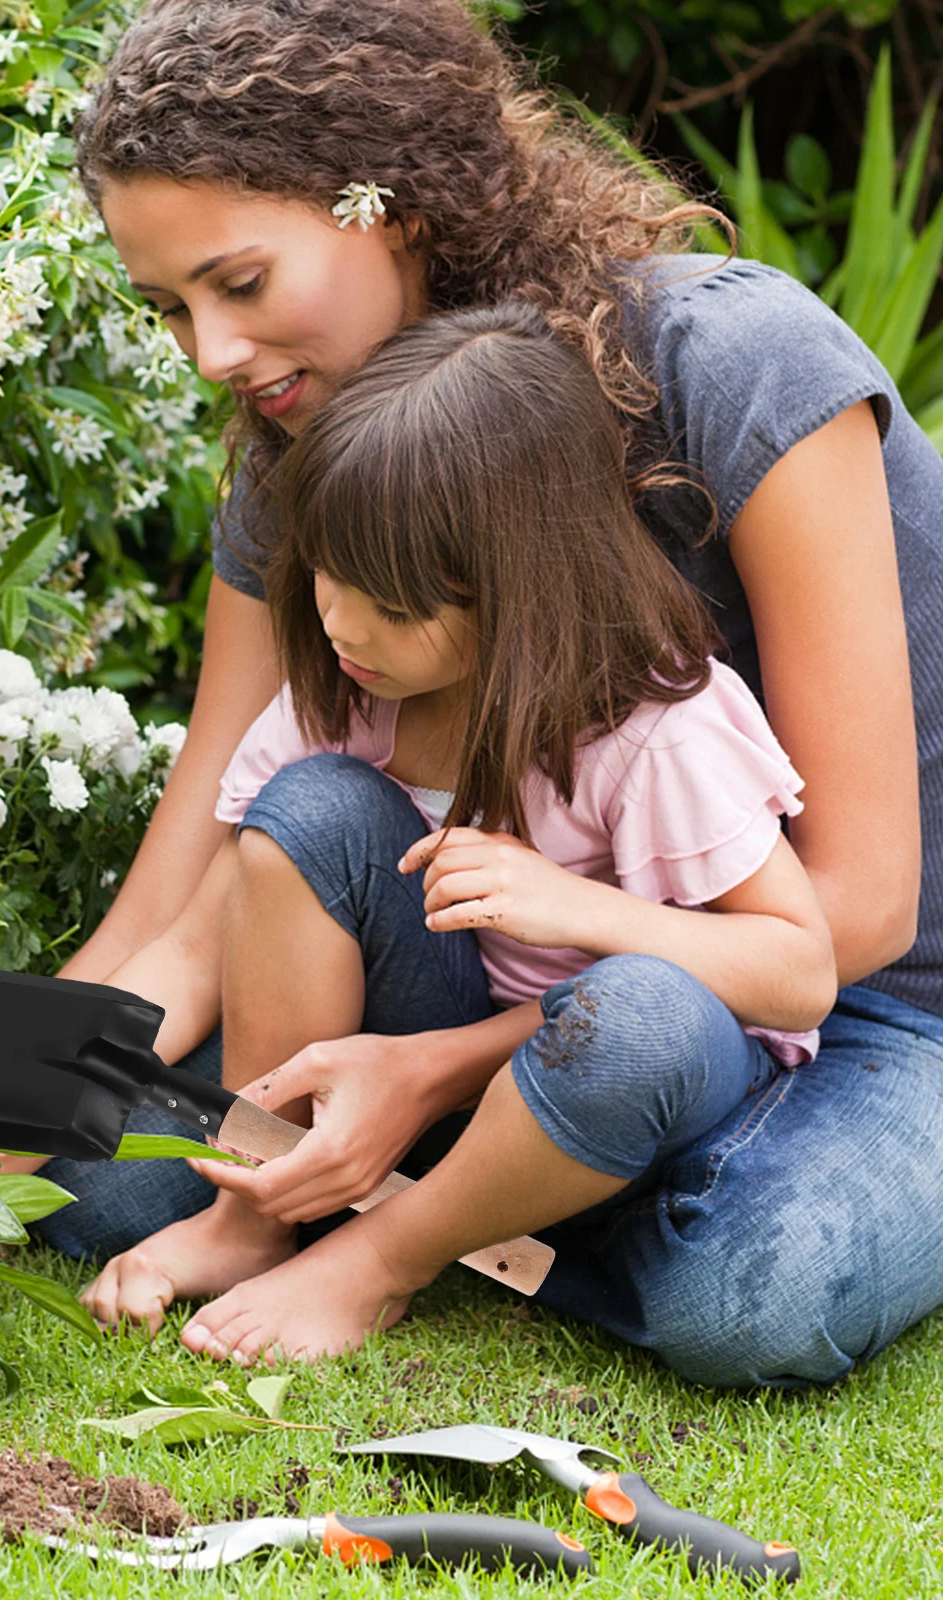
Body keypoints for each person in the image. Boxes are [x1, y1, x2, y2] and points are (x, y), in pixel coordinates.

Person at [19, 0, 943, 1390]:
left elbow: (859, 912)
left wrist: (437, 1073)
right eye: (170, 308)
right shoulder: (302, 453)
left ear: (394, 203)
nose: (211, 355)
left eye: (239, 282)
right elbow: (187, 890)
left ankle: (437, 1216)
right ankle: (510, 1191)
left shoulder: (730, 368)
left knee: (756, 1290)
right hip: (517, 964)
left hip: (885, 1006)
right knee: (93, 1181)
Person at [75, 298, 848, 1367]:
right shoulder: (346, 691)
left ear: (522, 591)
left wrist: (575, 908)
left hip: (603, 1106)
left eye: (393, 607)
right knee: (90, 1186)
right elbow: (198, 945)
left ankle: (381, 1259)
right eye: (327, 574)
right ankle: (254, 1211)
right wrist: (39, 1095)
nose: (340, 625)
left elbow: (801, 974)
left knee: (640, 1020)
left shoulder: (656, 730)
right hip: (396, 1078)